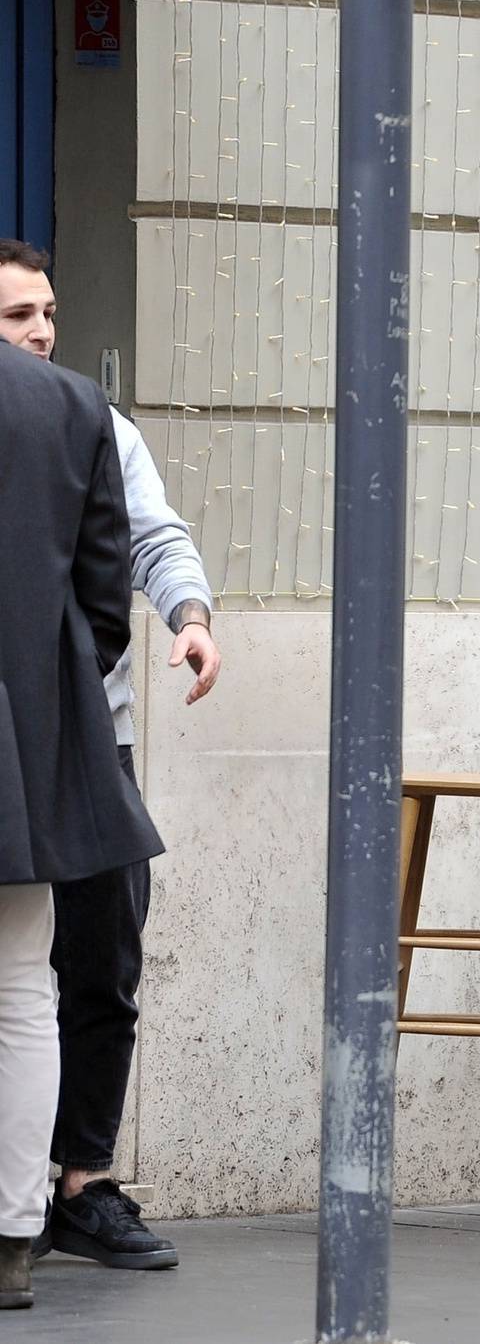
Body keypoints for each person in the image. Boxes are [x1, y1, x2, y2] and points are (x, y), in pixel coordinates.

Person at [0, 240, 220, 1271]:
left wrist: (188, 613)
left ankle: (81, 1181)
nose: (40, 330)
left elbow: (152, 538)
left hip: (88, 746)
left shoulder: (96, 421)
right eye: (15, 317)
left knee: (102, 959)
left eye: (45, 310)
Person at [0, 336, 165, 1309]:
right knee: (24, 986)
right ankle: (15, 1232)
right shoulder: (69, 405)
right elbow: (106, 593)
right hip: (23, 745)